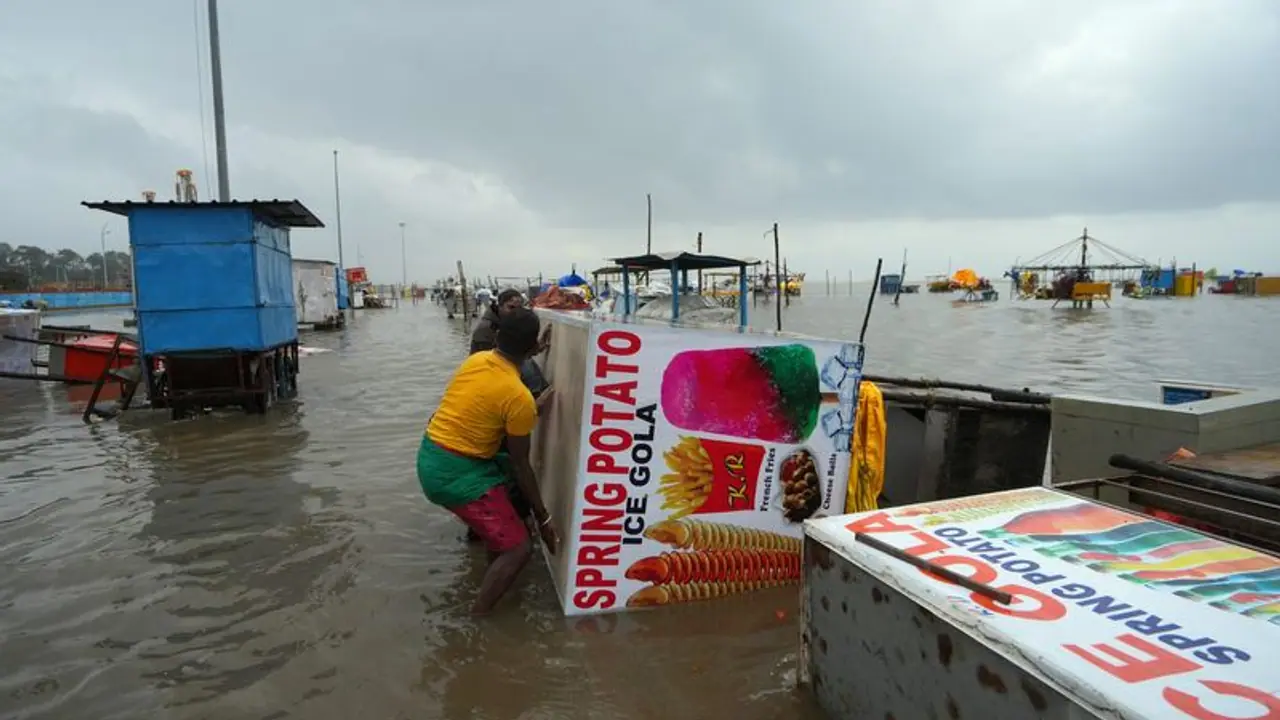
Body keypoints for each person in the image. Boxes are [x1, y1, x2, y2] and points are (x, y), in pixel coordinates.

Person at [417, 307, 559, 615]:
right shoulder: (519, 398)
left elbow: (486, 406)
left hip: (431, 453)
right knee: (520, 548)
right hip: (455, 472)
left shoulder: (476, 361)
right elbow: (523, 466)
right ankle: (478, 619)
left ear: (497, 335)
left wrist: (533, 350)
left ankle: (490, 570)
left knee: (506, 529)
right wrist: (544, 519)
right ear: (529, 346)